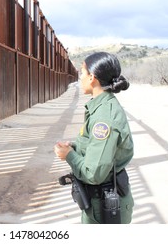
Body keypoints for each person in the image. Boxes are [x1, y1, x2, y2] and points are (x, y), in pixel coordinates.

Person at [54, 52, 134, 224]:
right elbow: (101, 149)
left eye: (82, 73)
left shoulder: (104, 117)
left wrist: (69, 155)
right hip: (101, 202)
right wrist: (74, 147)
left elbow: (93, 173)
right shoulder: (101, 106)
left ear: (92, 78)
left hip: (104, 207)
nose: (80, 77)